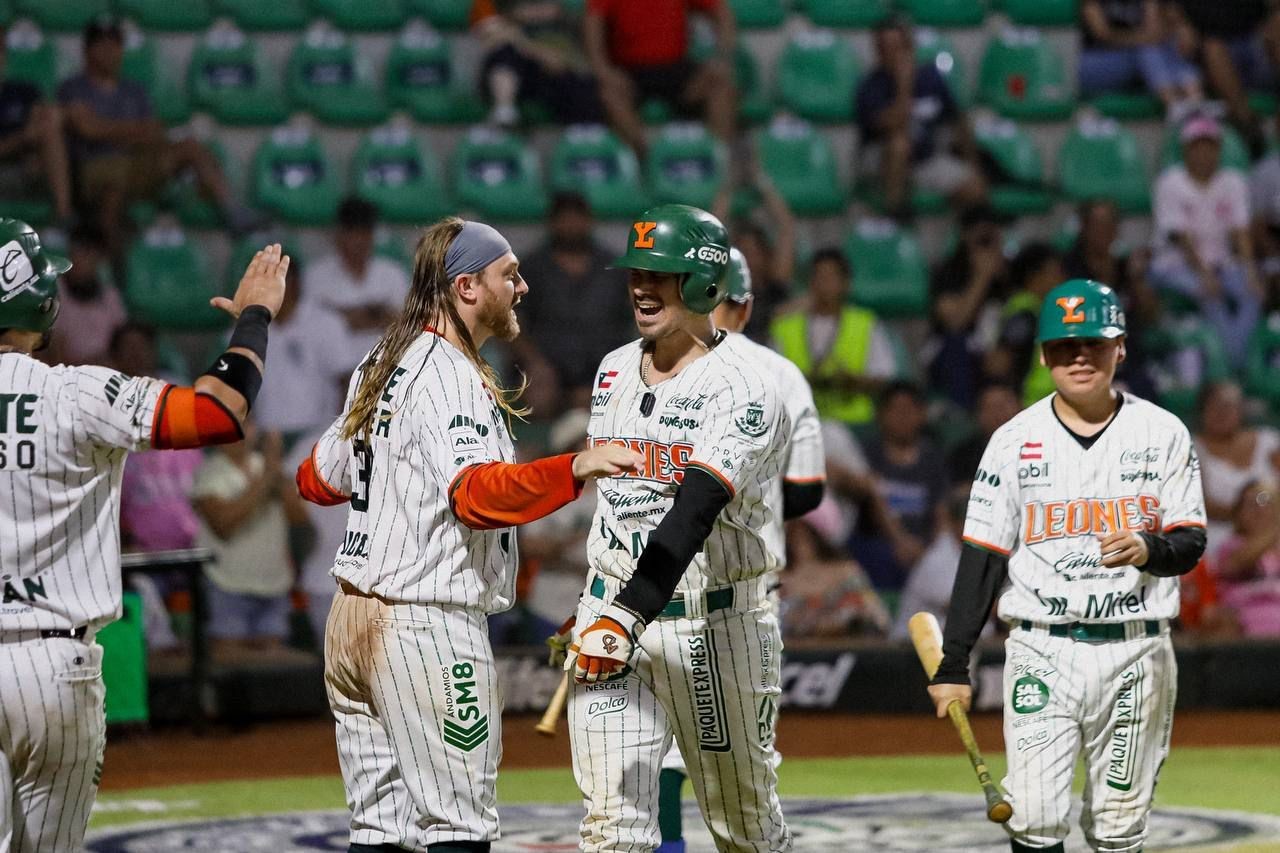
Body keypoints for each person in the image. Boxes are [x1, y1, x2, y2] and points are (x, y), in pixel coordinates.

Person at [293, 216, 642, 852]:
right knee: (460, 827)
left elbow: (317, 478)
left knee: (381, 830)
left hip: (351, 619)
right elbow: (477, 498)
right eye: (509, 275)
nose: (524, 286)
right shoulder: (450, 374)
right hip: (426, 625)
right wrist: (576, 465)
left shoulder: (381, 361)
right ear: (467, 288)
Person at [0, 220, 289, 853]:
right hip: (56, 667)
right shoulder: (78, 392)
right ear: (39, 304)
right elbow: (219, 412)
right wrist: (254, 317)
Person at [929, 278, 1207, 853]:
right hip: (1041, 648)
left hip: (1137, 649)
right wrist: (954, 661)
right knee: (1030, 815)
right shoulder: (1013, 441)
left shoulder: (1163, 433)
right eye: (1063, 347)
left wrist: (1150, 548)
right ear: (1042, 356)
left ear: (1121, 347)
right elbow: (982, 556)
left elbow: (1192, 541)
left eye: (1094, 344)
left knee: (1118, 824)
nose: (1079, 357)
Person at [559, 205, 793, 851]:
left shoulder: (747, 386)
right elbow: (620, 504)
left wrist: (624, 611)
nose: (641, 285)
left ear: (703, 283)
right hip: (614, 621)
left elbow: (693, 509)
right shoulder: (611, 368)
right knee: (613, 828)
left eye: (661, 273)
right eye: (637, 270)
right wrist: (597, 601)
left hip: (713, 627)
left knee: (743, 827)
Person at [643, 245, 824, 853]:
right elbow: (807, 490)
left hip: (651, 574)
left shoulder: (640, 364)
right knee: (748, 751)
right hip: (743, 586)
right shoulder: (778, 374)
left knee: (659, 738)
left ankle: (669, 843)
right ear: (744, 306)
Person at [57, 16, 254, 258]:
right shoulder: (73, 88)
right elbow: (87, 130)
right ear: (88, 50)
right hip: (96, 169)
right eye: (102, 45)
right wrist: (129, 131)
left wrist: (108, 130)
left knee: (190, 147)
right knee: (112, 190)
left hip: (137, 164)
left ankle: (232, 212)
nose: (110, 51)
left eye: (115, 44)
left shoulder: (134, 90)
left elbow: (153, 132)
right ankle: (113, 273)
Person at [1150, 113, 1263, 367]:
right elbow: (1182, 238)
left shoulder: (1232, 181)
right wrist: (1204, 275)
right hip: (1175, 264)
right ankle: (1230, 365)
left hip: (1221, 263)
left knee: (1252, 290)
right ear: (1186, 150)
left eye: (1209, 146)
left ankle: (1238, 359)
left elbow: (1241, 232)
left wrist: (1251, 271)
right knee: (1209, 294)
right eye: (1197, 147)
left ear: (1218, 149)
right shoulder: (1171, 182)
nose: (1204, 153)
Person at [506, 192, 634, 412]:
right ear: (552, 223)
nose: (571, 226)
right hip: (548, 366)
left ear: (589, 221)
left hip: (604, 364)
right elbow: (510, 323)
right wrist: (535, 363)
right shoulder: (531, 269)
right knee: (537, 393)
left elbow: (634, 322)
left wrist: (621, 367)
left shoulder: (615, 268)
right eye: (565, 219)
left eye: (577, 219)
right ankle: (539, 445)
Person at [193, 423, 308, 654]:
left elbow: (299, 517)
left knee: (271, 670)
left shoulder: (268, 467)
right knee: (229, 662)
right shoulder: (210, 471)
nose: (241, 432)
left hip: (273, 584)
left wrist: (276, 470)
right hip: (227, 584)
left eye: (247, 424)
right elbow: (224, 526)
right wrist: (266, 478)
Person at [854, 17, 986, 217]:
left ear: (910, 48)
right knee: (899, 145)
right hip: (881, 161)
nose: (891, 54)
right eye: (884, 48)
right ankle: (895, 219)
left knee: (975, 187)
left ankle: (964, 241)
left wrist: (973, 164)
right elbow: (891, 125)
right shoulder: (870, 86)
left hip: (925, 159)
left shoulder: (931, 78)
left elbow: (958, 121)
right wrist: (904, 85)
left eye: (897, 47)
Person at [584, 0, 736, 157]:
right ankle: (647, 157)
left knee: (720, 86)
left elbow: (721, 13)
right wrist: (603, 70)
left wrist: (722, 57)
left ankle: (716, 159)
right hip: (629, 72)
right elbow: (593, 26)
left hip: (677, 68)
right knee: (609, 95)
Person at [769, 247, 898, 426]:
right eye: (819, 277)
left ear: (846, 283)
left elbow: (884, 377)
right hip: (799, 422)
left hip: (853, 424)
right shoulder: (785, 327)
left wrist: (851, 381)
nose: (824, 284)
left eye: (831, 278)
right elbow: (772, 379)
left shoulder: (866, 323)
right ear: (810, 282)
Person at [1061, 198, 1160, 399]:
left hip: (1129, 363)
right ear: (1084, 228)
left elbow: (1151, 315)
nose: (1104, 231)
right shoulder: (1068, 271)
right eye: (1097, 224)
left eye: (1110, 224)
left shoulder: (1126, 270)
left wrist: (1137, 279)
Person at [302, 197, 411, 372]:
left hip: (383, 373)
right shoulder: (316, 276)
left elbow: (404, 322)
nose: (359, 240)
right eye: (353, 232)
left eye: (365, 232)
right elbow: (314, 327)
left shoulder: (392, 273)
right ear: (340, 234)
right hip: (332, 377)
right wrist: (377, 314)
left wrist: (343, 314)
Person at [858, 380, 949, 590]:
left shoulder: (932, 459)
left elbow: (941, 511)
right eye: (895, 410)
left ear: (922, 414)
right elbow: (870, 501)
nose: (903, 417)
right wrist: (899, 541)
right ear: (881, 415)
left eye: (909, 410)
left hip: (923, 546)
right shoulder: (868, 455)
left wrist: (933, 551)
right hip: (878, 546)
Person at [253, 255, 350, 445]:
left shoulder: (326, 323)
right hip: (265, 437)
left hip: (314, 437)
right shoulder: (250, 326)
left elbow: (345, 382)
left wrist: (338, 437)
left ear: (296, 283)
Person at [471, 0, 605, 128]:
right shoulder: (504, 16)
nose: (536, 10)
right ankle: (504, 110)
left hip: (553, 78)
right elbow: (489, 32)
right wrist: (527, 45)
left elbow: (558, 61)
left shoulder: (562, 26)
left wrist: (524, 42)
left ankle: (585, 130)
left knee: (579, 81)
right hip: (520, 75)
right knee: (505, 52)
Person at [927, 204, 1010, 407]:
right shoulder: (947, 272)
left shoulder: (1009, 274)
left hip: (995, 351)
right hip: (952, 353)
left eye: (990, 239)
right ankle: (960, 415)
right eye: (980, 240)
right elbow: (956, 322)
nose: (986, 245)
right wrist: (981, 277)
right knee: (957, 344)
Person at [1192, 380, 1280, 553]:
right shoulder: (1192, 448)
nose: (1222, 413)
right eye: (1215, 406)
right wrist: (1249, 518)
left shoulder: (1269, 442)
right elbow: (1199, 504)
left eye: (1229, 406)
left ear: (1241, 410)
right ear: (1202, 410)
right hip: (1221, 536)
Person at [0, 24, 73, 223]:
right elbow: (27, 136)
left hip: (27, 169)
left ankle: (63, 217)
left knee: (50, 129)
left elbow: (46, 123)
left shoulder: (24, 92)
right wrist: (24, 138)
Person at [1078, 0, 1203, 113]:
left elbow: (1155, 30)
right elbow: (1103, 35)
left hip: (1138, 61)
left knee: (1170, 43)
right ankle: (1175, 106)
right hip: (1097, 63)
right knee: (1145, 49)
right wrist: (1140, 38)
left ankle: (1194, 99)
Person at [984, 242, 1065, 405]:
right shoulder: (1024, 313)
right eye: (1054, 272)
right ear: (1034, 277)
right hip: (1031, 406)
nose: (1061, 279)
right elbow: (998, 363)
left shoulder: (1043, 311)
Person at [1212, 480, 1280, 637]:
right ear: (1238, 513)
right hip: (1248, 627)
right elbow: (1237, 564)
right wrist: (1275, 527)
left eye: (1263, 500)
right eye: (1249, 503)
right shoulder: (1230, 546)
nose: (1258, 509)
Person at [947, 381, 1021, 485]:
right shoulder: (963, 456)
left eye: (1002, 406)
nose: (998, 414)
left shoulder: (1043, 448)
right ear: (978, 415)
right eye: (990, 407)